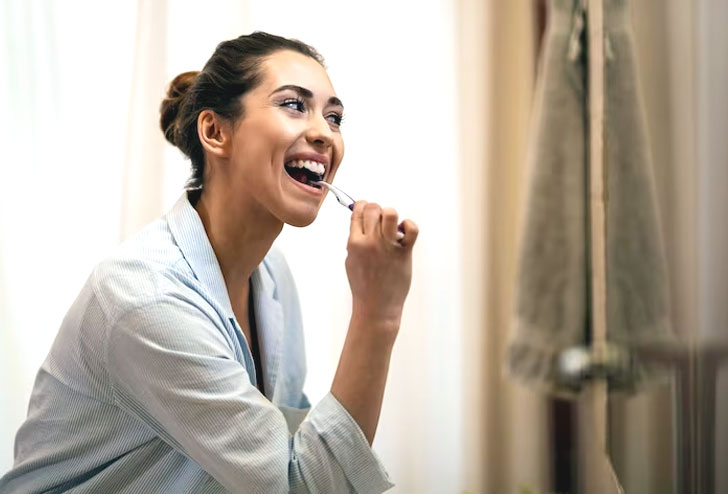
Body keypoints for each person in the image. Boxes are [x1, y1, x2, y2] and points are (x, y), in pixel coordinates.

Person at [0, 31, 418, 493]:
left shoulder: (271, 275)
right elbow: (297, 484)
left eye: (334, 117)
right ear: (216, 132)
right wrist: (378, 314)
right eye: (294, 105)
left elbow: (286, 442)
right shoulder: (145, 298)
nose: (324, 132)